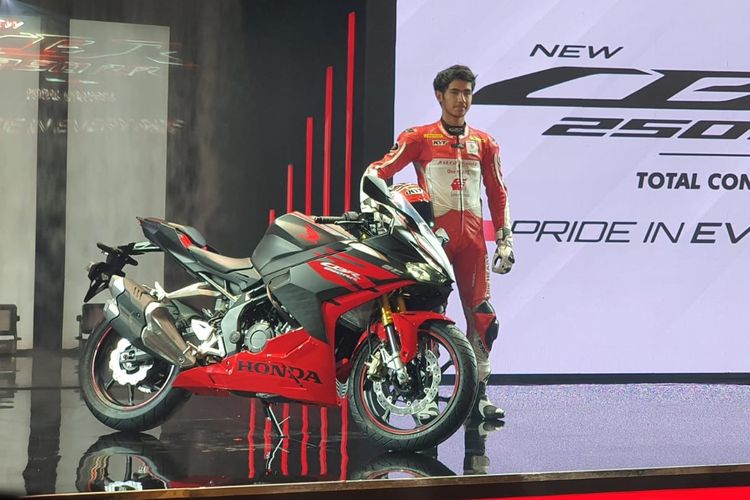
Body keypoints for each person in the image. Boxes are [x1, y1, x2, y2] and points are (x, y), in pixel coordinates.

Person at [364, 64, 514, 421]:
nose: (462, 100)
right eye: (455, 92)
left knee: (484, 318)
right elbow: (377, 172)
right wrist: (376, 212)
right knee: (429, 316)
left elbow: (497, 193)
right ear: (439, 96)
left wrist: (505, 240)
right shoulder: (419, 137)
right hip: (434, 242)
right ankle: (426, 395)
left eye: (467, 93)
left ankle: (478, 396)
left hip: (473, 244)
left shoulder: (485, 143)